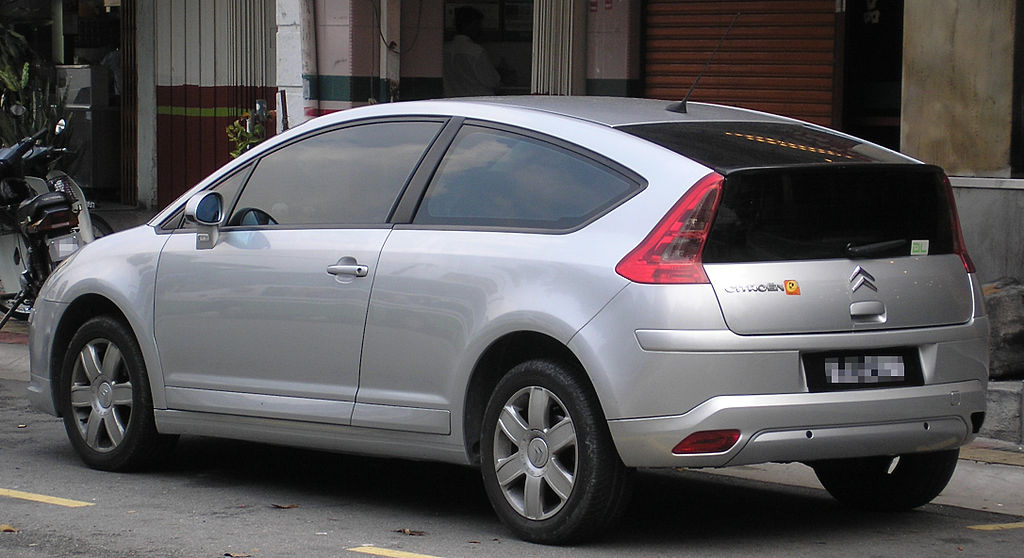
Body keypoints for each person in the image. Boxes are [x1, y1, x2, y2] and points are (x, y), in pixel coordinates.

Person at [443, 6, 501, 97]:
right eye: (479, 25)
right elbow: (492, 81)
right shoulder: (476, 51)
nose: (481, 29)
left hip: (452, 100)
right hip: (478, 100)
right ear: (472, 25)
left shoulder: (444, 50)